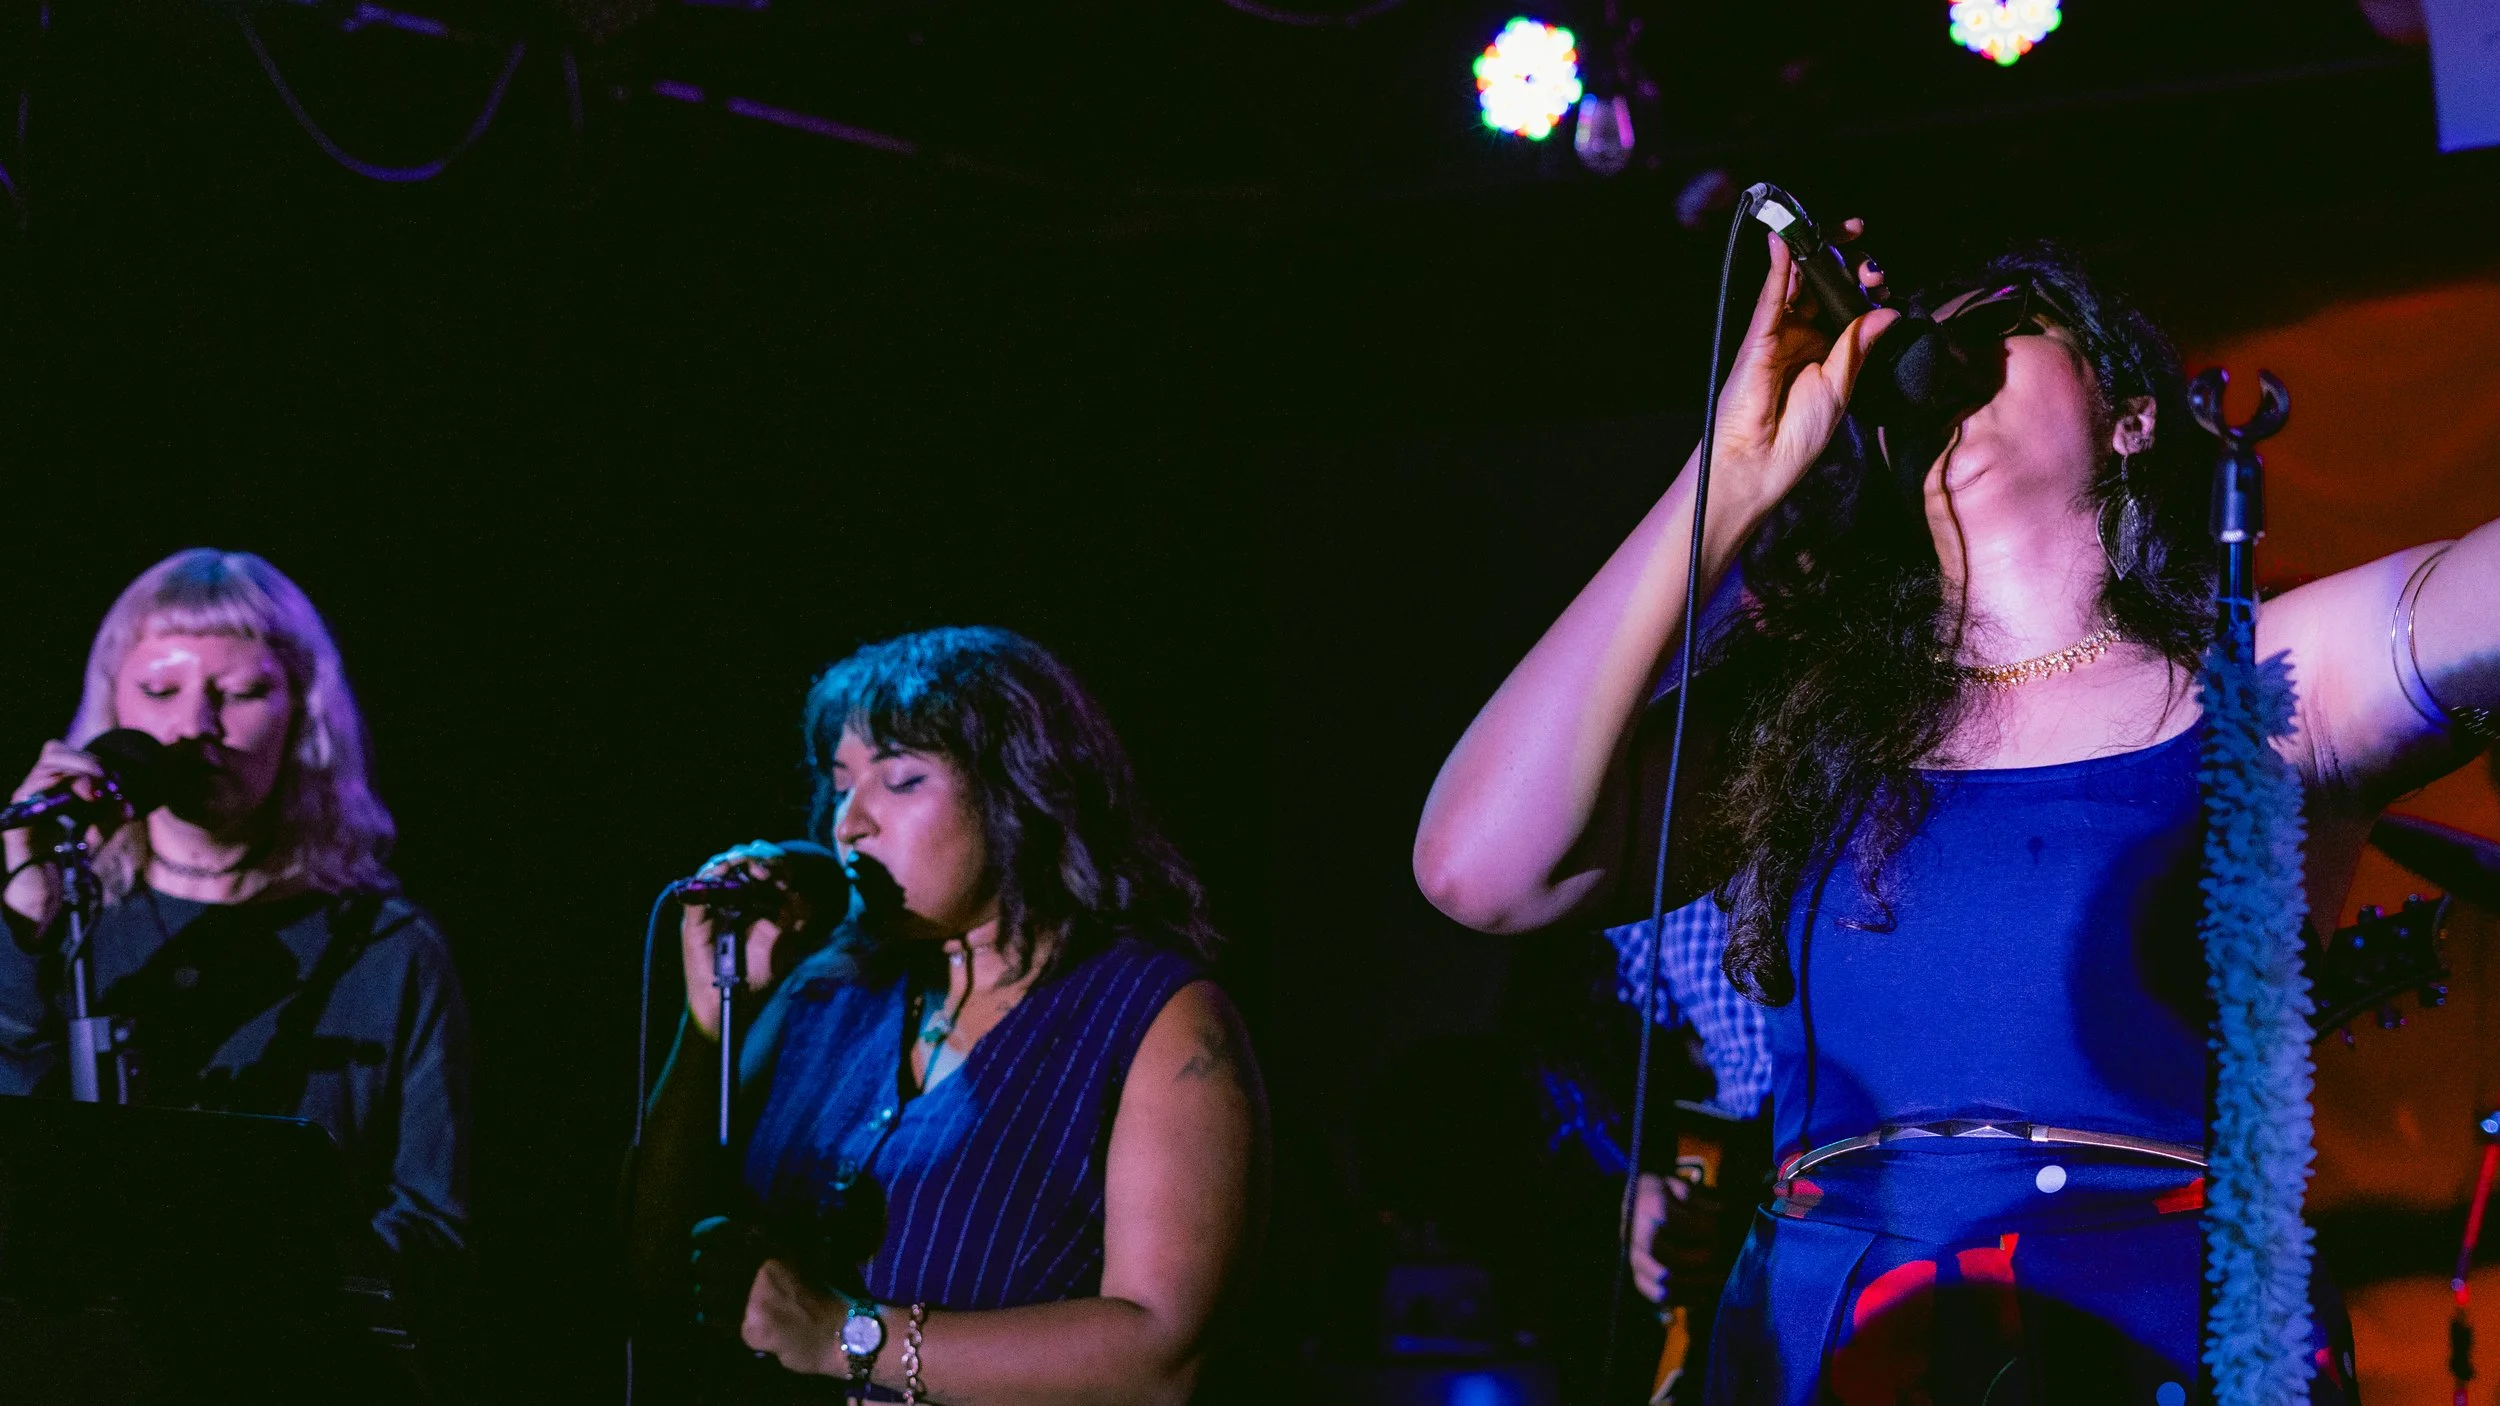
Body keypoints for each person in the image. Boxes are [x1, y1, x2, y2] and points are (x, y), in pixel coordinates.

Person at [1414, 224, 2500, 1403]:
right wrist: (1727, 478)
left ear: (2131, 413)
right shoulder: (1805, 726)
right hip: (1831, 1329)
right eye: (1925, 341)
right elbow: (1477, 866)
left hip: (2151, 1332)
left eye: (2003, 324)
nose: (1940, 346)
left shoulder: (2259, 673)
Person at [627, 625, 1267, 1404]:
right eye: (839, 783)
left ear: (1020, 790)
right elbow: (649, 1263)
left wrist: (843, 1335)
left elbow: (1162, 1358)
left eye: (900, 781)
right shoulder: (825, 995)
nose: (849, 822)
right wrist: (709, 1021)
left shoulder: (1157, 1018)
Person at [0, 549, 471, 1281]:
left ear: (302, 715)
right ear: (113, 710)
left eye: (243, 692)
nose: (196, 726)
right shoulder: (62, 930)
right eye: (160, 689)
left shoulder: (389, 950)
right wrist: (30, 918)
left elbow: (434, 1223)